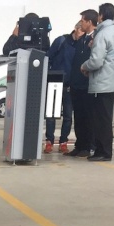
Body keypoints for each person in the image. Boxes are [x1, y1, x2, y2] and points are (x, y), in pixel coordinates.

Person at [81, 3, 114, 162]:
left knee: (100, 120)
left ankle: (103, 152)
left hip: (101, 82)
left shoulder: (103, 34)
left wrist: (84, 66)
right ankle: (103, 150)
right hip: (110, 80)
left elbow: (97, 61)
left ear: (101, 16)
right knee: (105, 119)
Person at [44, 21, 83, 154]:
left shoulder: (81, 45)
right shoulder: (61, 41)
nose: (82, 34)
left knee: (68, 116)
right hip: (55, 82)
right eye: (81, 30)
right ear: (76, 28)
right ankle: (49, 141)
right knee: (51, 115)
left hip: (70, 85)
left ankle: (63, 141)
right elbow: (48, 57)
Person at [64, 9, 97, 158]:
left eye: (83, 21)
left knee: (87, 117)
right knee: (78, 117)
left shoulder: (96, 39)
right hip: (76, 83)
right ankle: (79, 145)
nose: (81, 23)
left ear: (89, 22)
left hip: (87, 84)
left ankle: (88, 146)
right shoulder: (81, 40)